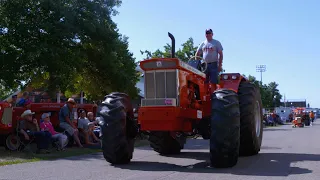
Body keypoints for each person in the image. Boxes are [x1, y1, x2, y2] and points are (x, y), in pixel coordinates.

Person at [195, 28, 223, 93]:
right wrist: (197, 63)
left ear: (212, 34)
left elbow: (221, 54)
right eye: (206, 33)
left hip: (214, 64)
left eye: (209, 33)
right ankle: (205, 97)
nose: (208, 34)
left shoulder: (216, 42)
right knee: (204, 81)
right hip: (204, 65)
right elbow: (197, 53)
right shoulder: (203, 43)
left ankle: (213, 97)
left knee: (213, 82)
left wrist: (220, 65)